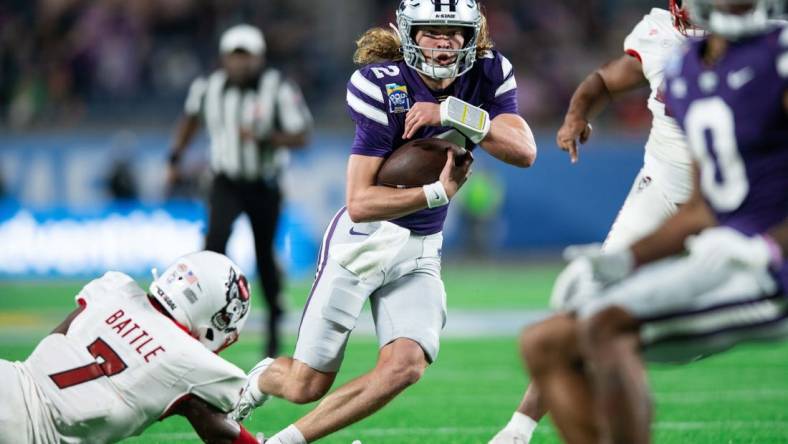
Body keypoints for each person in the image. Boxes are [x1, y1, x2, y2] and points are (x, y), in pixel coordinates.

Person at [230, 1, 537, 443]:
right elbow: (360, 202)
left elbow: (524, 150)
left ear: (474, 37)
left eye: (454, 33)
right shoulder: (379, 84)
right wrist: (437, 193)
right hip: (364, 242)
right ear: (409, 34)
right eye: (431, 31)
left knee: (405, 366)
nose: (444, 42)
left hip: (422, 246)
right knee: (304, 385)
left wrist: (453, 112)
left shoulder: (487, 70)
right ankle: (261, 379)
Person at [520, 1, 788, 442]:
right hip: (704, 226)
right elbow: (702, 207)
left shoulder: (778, 54)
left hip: (768, 260)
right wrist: (624, 260)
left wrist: (769, 243)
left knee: (604, 328)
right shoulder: (684, 67)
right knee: (544, 343)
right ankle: (520, 427)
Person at [490, 2, 704, 442]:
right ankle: (518, 429)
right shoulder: (660, 33)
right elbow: (604, 80)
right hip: (663, 187)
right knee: (586, 300)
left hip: (735, 205)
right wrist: (577, 114)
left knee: (684, 340)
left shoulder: (766, 43)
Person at [0, 251, 264, 443]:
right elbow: (219, 430)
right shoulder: (190, 360)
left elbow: (55, 341)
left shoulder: (115, 289)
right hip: (27, 433)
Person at [166, 24, 313, 357]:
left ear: (259, 58)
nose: (241, 64)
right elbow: (190, 119)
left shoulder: (277, 87)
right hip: (226, 181)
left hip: (264, 182)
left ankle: (274, 326)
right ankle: (197, 322)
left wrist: (268, 138)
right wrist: (175, 155)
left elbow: (302, 135)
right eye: (236, 56)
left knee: (264, 255)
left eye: (247, 57)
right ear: (224, 58)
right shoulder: (208, 87)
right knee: (212, 248)